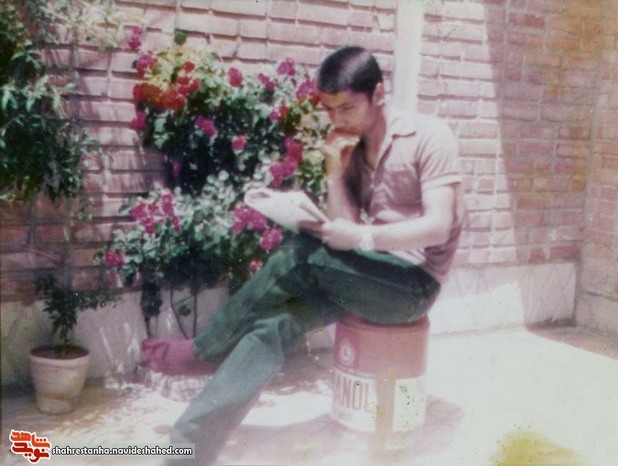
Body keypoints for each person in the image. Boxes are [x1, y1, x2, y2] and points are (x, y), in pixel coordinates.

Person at [157, 45, 463, 465]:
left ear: (378, 94)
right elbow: (343, 231)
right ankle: (188, 449)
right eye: (329, 109)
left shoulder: (429, 136)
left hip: (412, 285)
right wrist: (334, 173)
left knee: (300, 252)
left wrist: (361, 236)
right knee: (271, 327)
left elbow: (439, 225)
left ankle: (205, 350)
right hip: (365, 278)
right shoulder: (353, 149)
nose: (337, 120)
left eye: (347, 107)